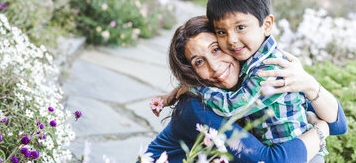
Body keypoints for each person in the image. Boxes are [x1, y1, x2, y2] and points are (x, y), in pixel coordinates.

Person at [144, 16, 347, 162]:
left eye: (216, 49)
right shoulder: (196, 108)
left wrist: (308, 83)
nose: (214, 66)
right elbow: (271, 161)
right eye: (199, 62)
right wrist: (321, 131)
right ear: (191, 72)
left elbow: (339, 124)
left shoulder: (252, 79)